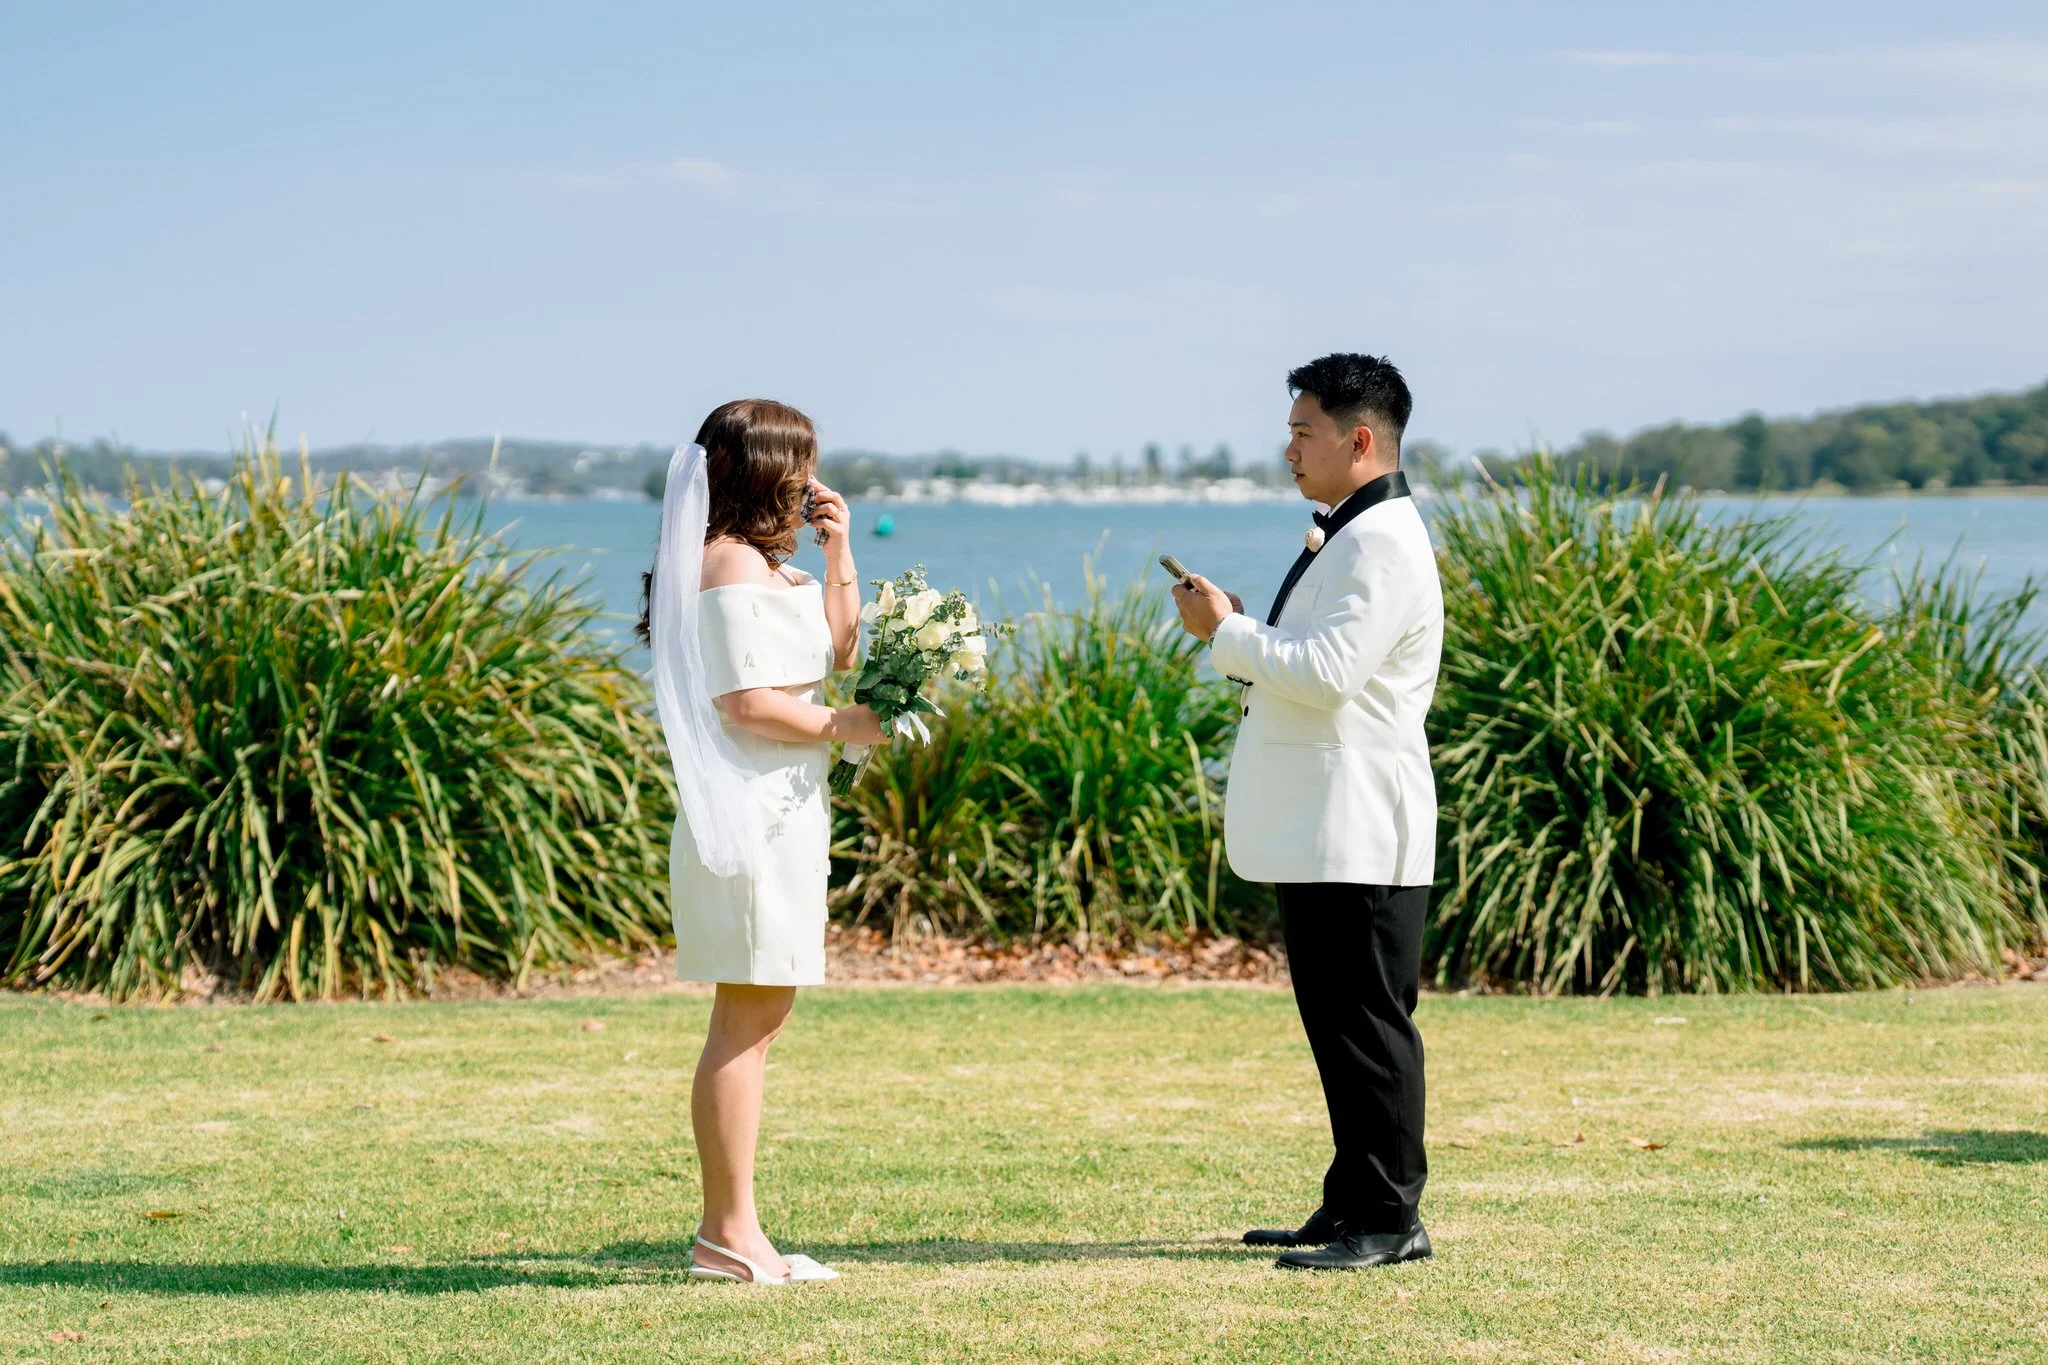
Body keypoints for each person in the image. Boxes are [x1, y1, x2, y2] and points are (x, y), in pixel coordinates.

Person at [1170, 353, 1444, 1271]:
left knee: (1369, 1024)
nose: (1287, 448)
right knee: (1338, 1022)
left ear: (1358, 440)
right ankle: (1353, 1199)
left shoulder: (1384, 540)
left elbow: (1328, 676)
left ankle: (1391, 1218)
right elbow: (1323, 656)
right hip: (1328, 825)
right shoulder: (1355, 533)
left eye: (1302, 432)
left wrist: (1229, 635)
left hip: (1360, 825)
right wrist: (1248, 627)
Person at [636, 398, 889, 1286]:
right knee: (746, 1022)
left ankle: (733, 1228)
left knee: (760, 1017)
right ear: (763, 468)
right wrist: (844, 724)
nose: (812, 480)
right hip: (747, 813)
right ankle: (727, 1232)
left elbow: (840, 647)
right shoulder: (724, 564)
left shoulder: (764, 562)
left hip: (786, 812)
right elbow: (744, 703)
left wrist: (839, 552)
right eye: (802, 463)